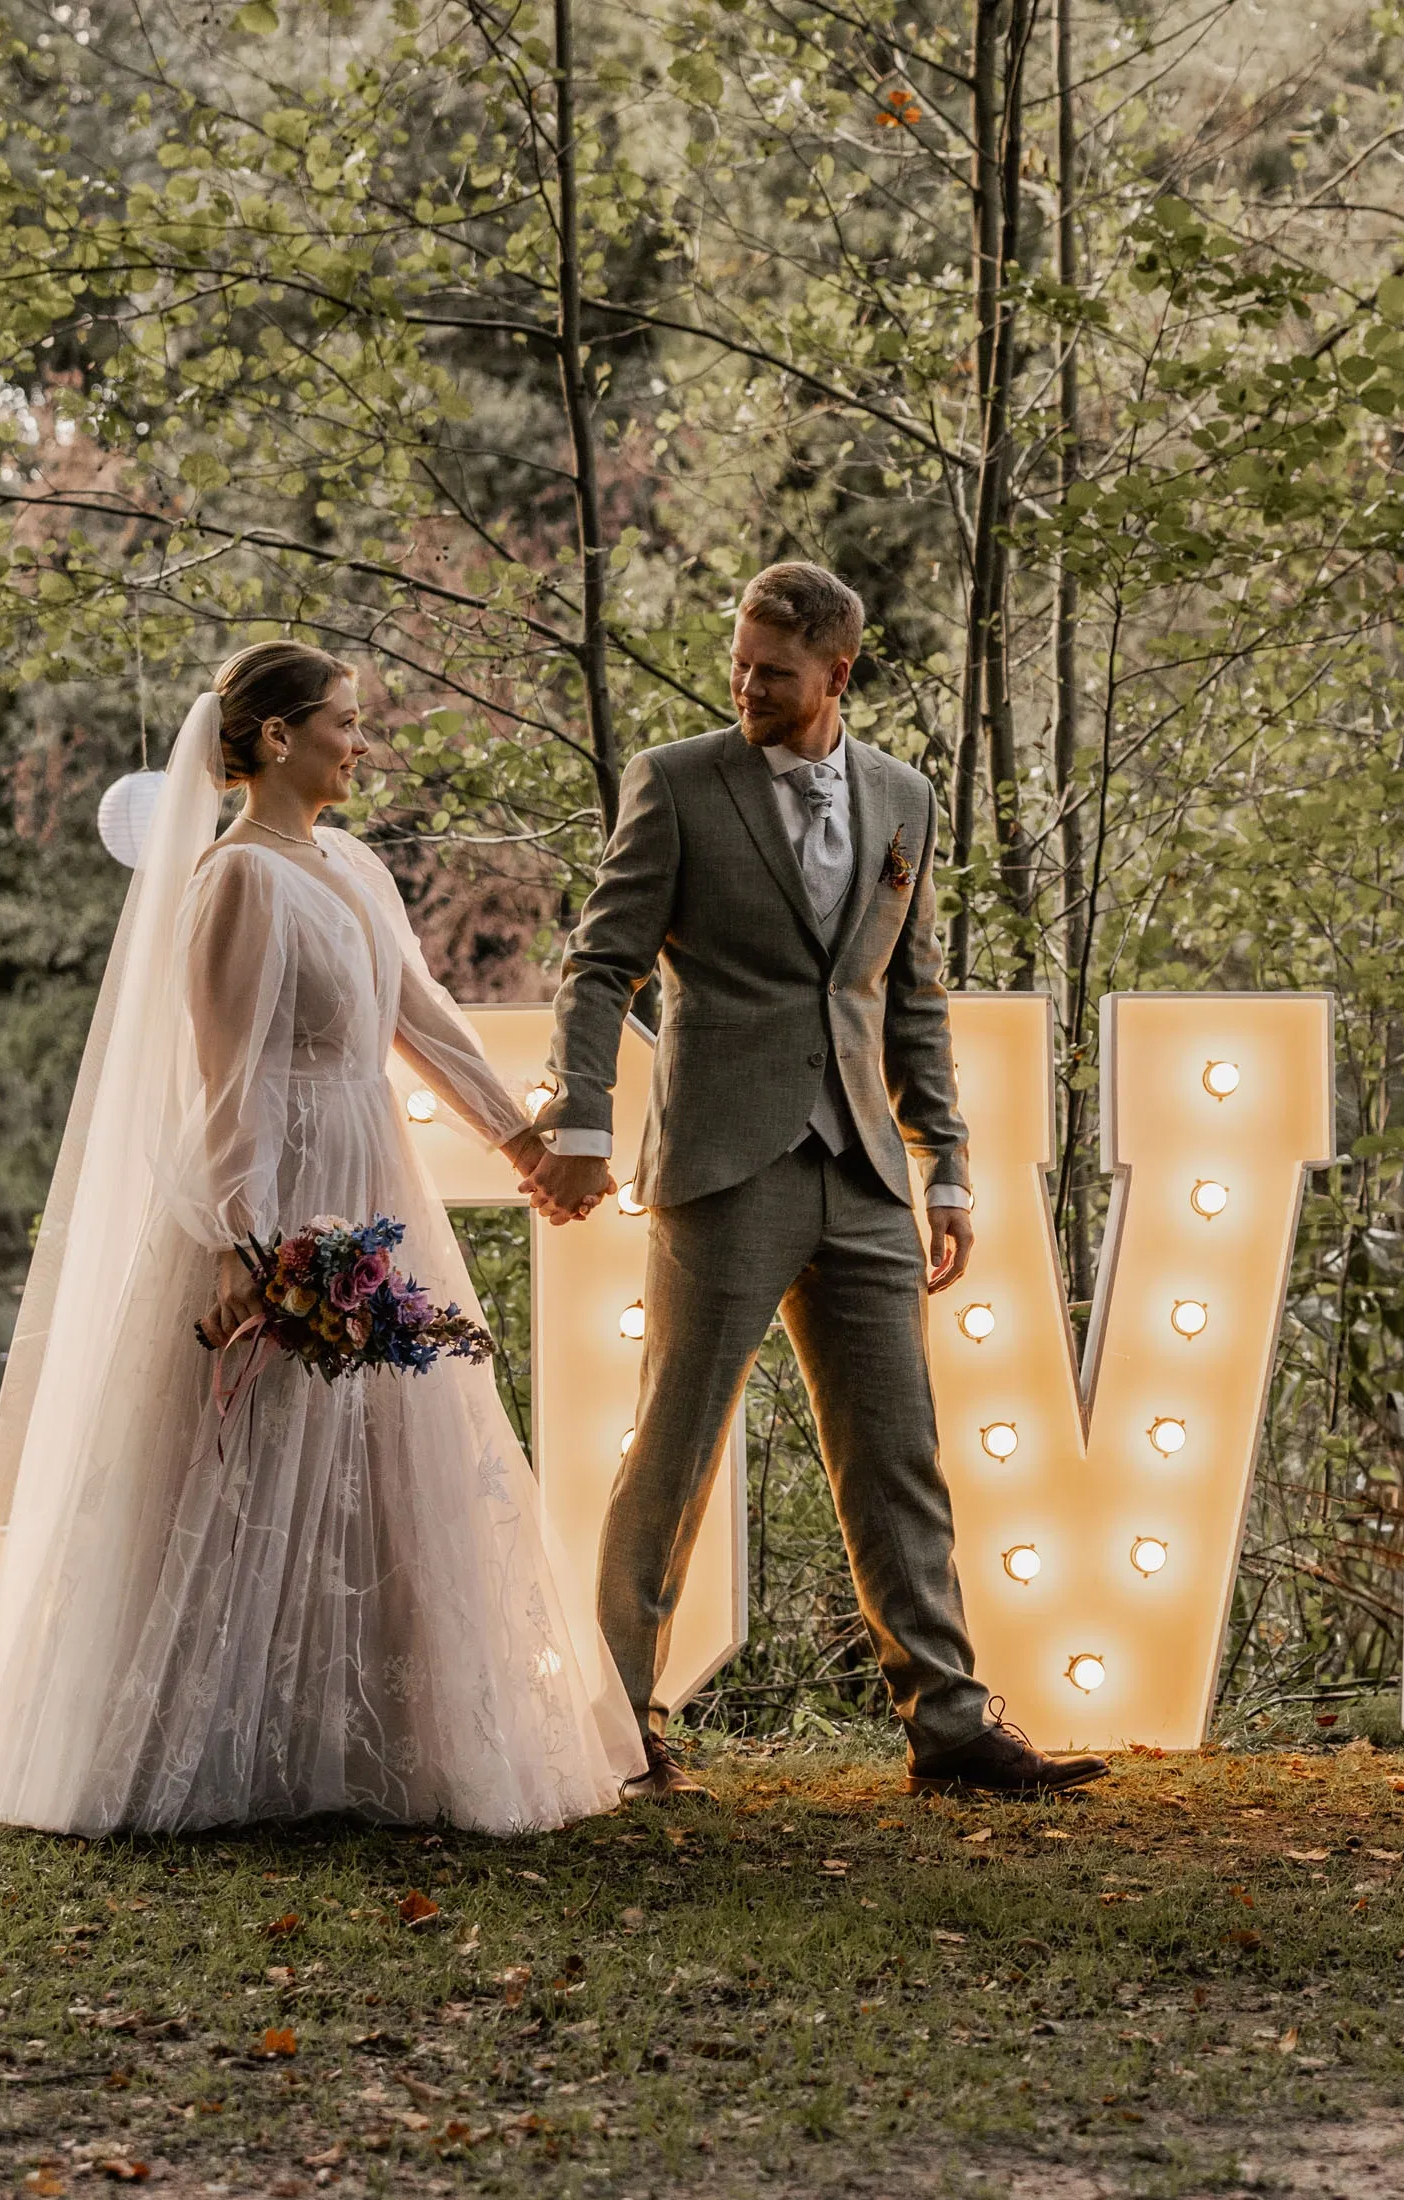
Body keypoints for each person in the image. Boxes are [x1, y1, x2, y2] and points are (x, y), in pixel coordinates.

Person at [0, 642, 645, 1836]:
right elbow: (233, 1080)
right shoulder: (236, 882)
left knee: (383, 1444)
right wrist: (243, 1241)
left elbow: (418, 1014)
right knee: (256, 1443)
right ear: (276, 738)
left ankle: (375, 1736)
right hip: (282, 1188)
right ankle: (217, 1740)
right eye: (343, 722)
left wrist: (518, 1142)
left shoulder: (352, 863)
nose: (361, 742)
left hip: (372, 1171)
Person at [521, 562, 1109, 1800]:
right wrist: (578, 1110)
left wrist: (945, 1164)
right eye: (739, 662)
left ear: (837, 673)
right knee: (672, 1453)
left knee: (899, 1452)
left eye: (774, 673)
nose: (745, 685)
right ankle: (622, 1728)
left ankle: (947, 1730)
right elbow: (598, 964)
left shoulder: (903, 796)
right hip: (723, 1167)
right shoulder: (676, 784)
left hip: (866, 1171)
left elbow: (911, 991)